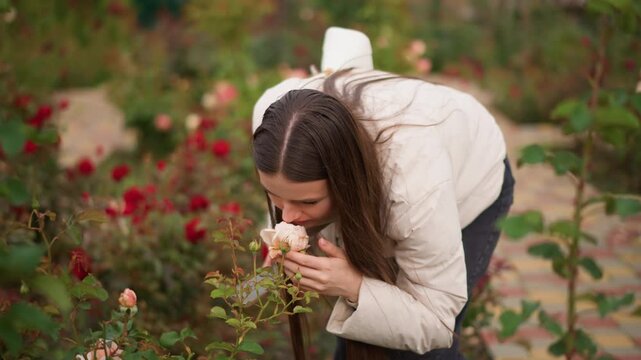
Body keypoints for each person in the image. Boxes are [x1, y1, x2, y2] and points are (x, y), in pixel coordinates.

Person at [251, 27, 515, 360]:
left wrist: (353, 286)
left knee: (420, 353)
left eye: (307, 202)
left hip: (470, 175)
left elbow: (434, 320)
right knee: (368, 333)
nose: (287, 216)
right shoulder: (274, 121)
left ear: (346, 181)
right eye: (275, 196)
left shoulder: (415, 185)